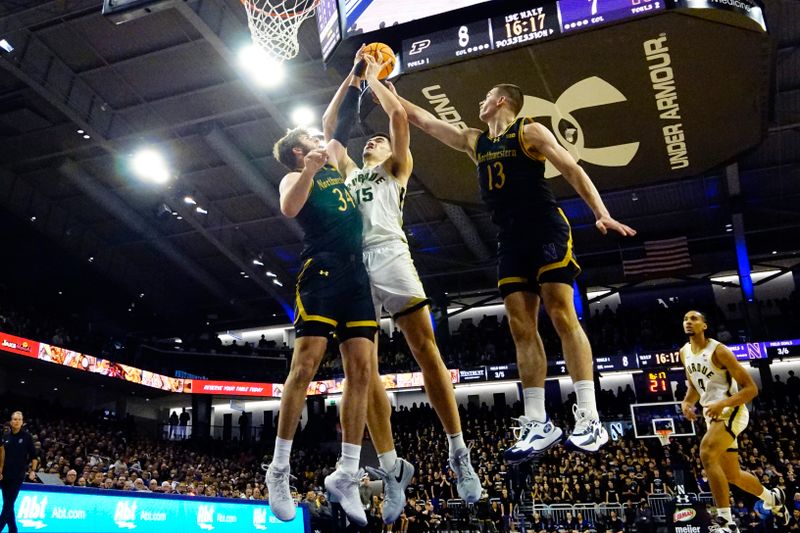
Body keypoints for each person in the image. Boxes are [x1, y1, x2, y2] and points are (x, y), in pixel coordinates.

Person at [387, 82, 636, 457]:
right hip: (510, 239)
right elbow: (421, 119)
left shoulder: (530, 131)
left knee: (562, 313)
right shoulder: (475, 141)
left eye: (485, 96)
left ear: (501, 101)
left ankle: (589, 417)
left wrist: (601, 213)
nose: (480, 101)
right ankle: (537, 422)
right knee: (521, 326)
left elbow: (571, 168)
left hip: (545, 228)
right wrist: (380, 88)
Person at [321, 51, 481, 523]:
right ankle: (392, 470)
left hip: (391, 254)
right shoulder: (349, 173)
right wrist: (352, 78)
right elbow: (330, 129)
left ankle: (459, 453)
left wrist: (374, 78)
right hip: (355, 267)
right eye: (368, 140)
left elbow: (395, 115)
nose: (372, 140)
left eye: (379, 142)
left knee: (426, 352)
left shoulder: (396, 171)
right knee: (362, 373)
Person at [267, 62, 380, 527]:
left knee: (363, 371)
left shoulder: (333, 159)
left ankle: (348, 472)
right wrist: (309, 169)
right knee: (306, 365)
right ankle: (278, 468)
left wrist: (353, 79)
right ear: (299, 149)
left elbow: (337, 121)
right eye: (311, 140)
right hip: (321, 273)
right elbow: (290, 207)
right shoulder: (296, 176)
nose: (320, 140)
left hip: (358, 277)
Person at [679, 310, 789, 533]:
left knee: (707, 453)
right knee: (732, 475)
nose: (688, 322)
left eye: (694, 319)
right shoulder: (684, 352)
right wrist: (687, 402)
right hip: (714, 416)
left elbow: (751, 389)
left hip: (733, 411)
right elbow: (694, 386)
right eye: (685, 319)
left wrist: (723, 403)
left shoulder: (719, 351)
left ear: (704, 325)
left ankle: (726, 522)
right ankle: (773, 498)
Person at [0, 412, 39, 533]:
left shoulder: (27, 437)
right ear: (11, 421)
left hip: (17, 476)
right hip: (3, 475)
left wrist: (33, 471)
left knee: (8, 505)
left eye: (19, 419)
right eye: (14, 419)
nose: (16, 421)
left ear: (22, 422)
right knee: (8, 504)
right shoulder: (5, 436)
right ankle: (13, 529)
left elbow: (34, 456)